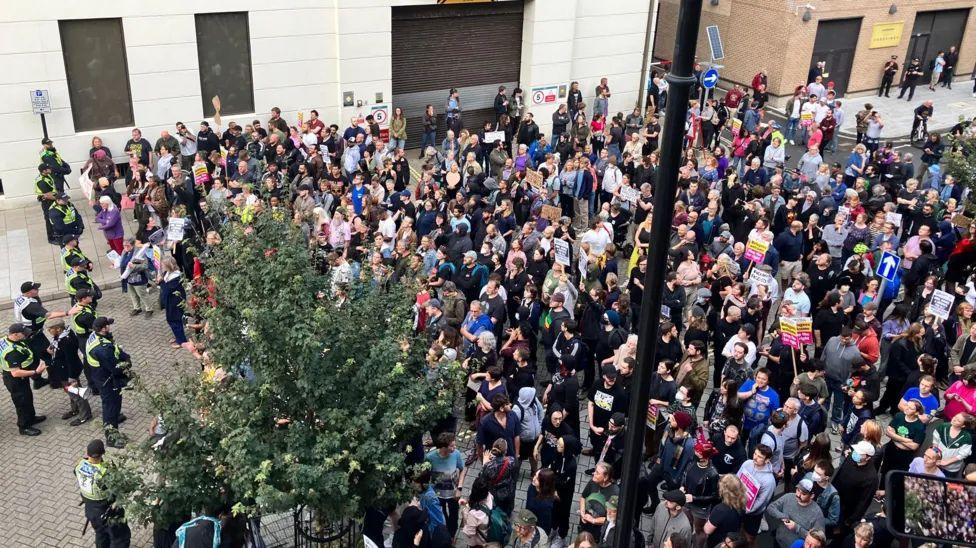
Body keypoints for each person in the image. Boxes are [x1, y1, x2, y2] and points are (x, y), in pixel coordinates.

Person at [75, 439, 131, 547]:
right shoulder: (106, 472)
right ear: (102, 454)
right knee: (119, 538)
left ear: (87, 454)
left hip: (91, 511)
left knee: (101, 535)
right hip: (109, 512)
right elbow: (120, 488)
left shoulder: (79, 465)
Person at [86, 317, 131, 448]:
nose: (109, 327)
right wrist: (126, 365)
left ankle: (115, 419)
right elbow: (115, 368)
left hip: (101, 377)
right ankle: (111, 437)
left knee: (113, 406)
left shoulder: (95, 336)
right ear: (103, 328)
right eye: (108, 325)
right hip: (107, 381)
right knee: (111, 407)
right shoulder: (103, 349)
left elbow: (114, 349)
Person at [1, 323, 47, 436]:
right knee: (21, 403)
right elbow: (15, 372)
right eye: (23, 334)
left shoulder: (4, 339)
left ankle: (31, 417)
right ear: (15, 334)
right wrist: (36, 372)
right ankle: (24, 426)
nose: (26, 335)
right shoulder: (12, 352)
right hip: (15, 380)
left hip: (19, 377)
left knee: (28, 397)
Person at [765, 479, 826, 548]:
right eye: (798, 490)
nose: (798, 495)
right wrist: (782, 516)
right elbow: (770, 507)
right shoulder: (789, 497)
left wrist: (796, 527)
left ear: (812, 496)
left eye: (803, 494)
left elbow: (817, 541)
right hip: (779, 540)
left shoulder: (817, 514)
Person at [578, 462, 617, 538]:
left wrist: (593, 520)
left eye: (597, 473)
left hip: (597, 531)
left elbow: (610, 519)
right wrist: (582, 513)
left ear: (605, 477)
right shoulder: (593, 481)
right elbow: (583, 497)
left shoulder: (614, 494)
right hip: (585, 523)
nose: (593, 473)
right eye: (595, 471)